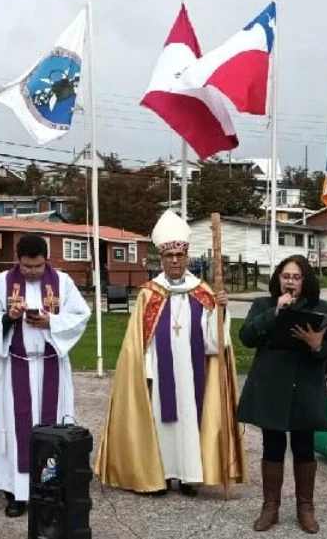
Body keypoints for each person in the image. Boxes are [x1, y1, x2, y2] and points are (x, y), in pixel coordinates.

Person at [95, 210, 243, 496]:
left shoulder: (204, 292)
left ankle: (189, 476)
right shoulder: (149, 294)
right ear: (161, 259)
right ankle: (159, 475)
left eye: (179, 255)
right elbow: (138, 342)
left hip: (192, 373)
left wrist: (220, 312)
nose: (174, 260)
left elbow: (215, 343)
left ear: (187, 257)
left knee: (191, 419)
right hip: (159, 376)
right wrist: (146, 372)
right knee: (161, 421)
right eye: (169, 256)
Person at [0, 234, 90, 517]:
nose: (32, 272)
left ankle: (50, 489)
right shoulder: (1, 282)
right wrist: (8, 317)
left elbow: (81, 315)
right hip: (16, 367)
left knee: (54, 430)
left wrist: (52, 321)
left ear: (46, 260)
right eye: (26, 267)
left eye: (37, 267)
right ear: (18, 260)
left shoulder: (62, 282)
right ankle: (17, 493)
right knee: (15, 430)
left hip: (51, 365)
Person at [236, 255, 327, 534]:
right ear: (278, 279)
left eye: (296, 276)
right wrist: (275, 314)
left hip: (305, 385)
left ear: (305, 280)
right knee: (272, 446)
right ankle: (270, 507)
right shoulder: (263, 304)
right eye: (285, 276)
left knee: (304, 447)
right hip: (272, 385)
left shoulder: (323, 308)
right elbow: (246, 337)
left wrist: (318, 345)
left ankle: (306, 508)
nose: (290, 281)